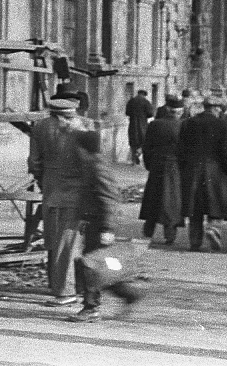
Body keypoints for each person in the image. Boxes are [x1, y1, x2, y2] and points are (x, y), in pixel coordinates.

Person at [69, 129, 143, 323]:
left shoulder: (97, 167)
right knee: (99, 266)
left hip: (100, 224)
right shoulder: (92, 163)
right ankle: (128, 295)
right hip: (95, 222)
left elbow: (109, 199)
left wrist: (107, 229)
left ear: (84, 149)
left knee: (92, 266)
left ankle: (91, 308)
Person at [27, 96, 87, 308]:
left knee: (54, 240)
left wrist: (44, 183)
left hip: (51, 190)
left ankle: (59, 285)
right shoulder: (81, 128)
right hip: (75, 193)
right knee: (69, 243)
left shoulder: (41, 127)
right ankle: (67, 291)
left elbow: (34, 162)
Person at [178, 96, 227, 253]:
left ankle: (195, 241)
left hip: (192, 170)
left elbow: (180, 150)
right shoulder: (221, 125)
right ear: (216, 108)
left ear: (204, 107)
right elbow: (226, 152)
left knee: (194, 207)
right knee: (215, 202)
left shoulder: (188, 123)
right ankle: (213, 227)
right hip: (214, 170)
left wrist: (183, 168)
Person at [138, 95, 184, 245]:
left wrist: (149, 164)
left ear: (168, 109)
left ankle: (148, 229)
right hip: (174, 166)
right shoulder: (184, 126)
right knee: (171, 199)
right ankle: (169, 233)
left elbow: (147, 147)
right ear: (180, 111)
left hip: (157, 164)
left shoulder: (155, 125)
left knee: (153, 197)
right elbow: (186, 151)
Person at [125, 90, 155, 166]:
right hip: (143, 125)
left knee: (133, 141)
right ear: (144, 95)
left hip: (132, 124)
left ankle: (134, 160)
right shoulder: (146, 102)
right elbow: (150, 114)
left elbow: (127, 112)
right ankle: (138, 153)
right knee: (143, 141)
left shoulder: (131, 101)